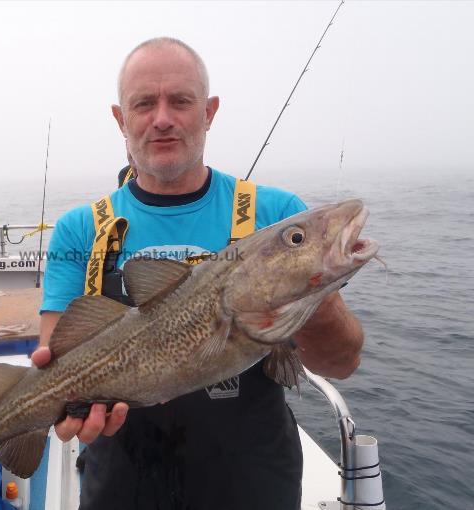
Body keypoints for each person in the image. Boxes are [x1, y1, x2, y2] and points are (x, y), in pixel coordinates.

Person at [33, 38, 364, 509]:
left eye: (181, 101)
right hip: (123, 475)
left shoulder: (277, 214)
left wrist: (310, 289)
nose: (162, 118)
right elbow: (57, 353)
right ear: (120, 118)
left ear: (208, 112)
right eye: (144, 103)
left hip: (251, 479)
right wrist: (60, 408)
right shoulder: (80, 229)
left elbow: (342, 364)